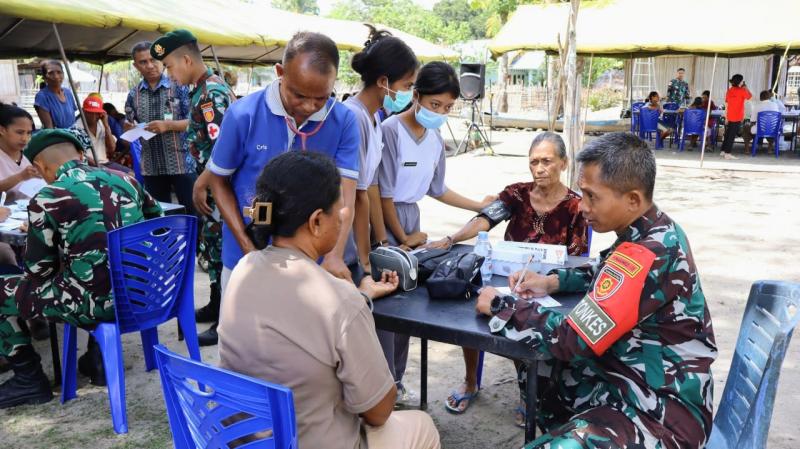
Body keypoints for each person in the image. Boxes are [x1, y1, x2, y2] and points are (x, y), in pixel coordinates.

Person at [474, 132, 716, 449]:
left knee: (550, 356)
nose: (583, 207)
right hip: (636, 379)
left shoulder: (645, 253)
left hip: (660, 414)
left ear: (632, 199)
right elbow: (604, 272)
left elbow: (571, 340)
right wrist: (551, 282)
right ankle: (565, 431)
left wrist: (502, 306)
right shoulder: (652, 229)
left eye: (592, 197)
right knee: (544, 369)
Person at [218, 151, 440, 449]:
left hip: (244, 439)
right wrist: (353, 303)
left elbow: (296, 319)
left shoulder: (243, 270)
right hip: (313, 442)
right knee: (422, 425)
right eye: (340, 209)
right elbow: (378, 411)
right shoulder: (339, 301)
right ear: (316, 222)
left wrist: (362, 295)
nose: (344, 216)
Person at [427, 132, 588, 420]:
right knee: (473, 312)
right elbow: (484, 219)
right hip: (506, 280)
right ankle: (470, 380)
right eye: (533, 162)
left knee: (532, 329)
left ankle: (531, 392)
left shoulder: (576, 207)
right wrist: (451, 239)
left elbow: (577, 258)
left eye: (547, 161)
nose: (539, 168)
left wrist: (546, 280)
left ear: (564, 163)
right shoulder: (516, 194)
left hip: (548, 288)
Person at [0, 129, 163, 408]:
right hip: (145, 293)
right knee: (96, 270)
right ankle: (95, 358)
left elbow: (39, 271)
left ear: (40, 167)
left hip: (96, 303)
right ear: (80, 154)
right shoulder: (127, 180)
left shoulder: (48, 197)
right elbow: (157, 223)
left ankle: (29, 379)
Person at [207, 32, 360, 307]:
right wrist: (247, 247)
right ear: (280, 72)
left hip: (314, 262)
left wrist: (335, 255)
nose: (309, 107)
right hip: (246, 255)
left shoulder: (344, 121)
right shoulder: (244, 115)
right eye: (298, 95)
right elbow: (218, 182)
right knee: (243, 342)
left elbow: (346, 197)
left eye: (321, 98)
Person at [376, 61, 494, 403]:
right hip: (386, 221)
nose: (440, 112)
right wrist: (401, 238)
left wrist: (477, 205)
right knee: (385, 309)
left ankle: (396, 381)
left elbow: (437, 188)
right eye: (434, 105)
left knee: (406, 305)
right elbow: (383, 192)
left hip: (410, 218)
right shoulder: (391, 131)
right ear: (416, 96)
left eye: (447, 108)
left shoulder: (434, 139)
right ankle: (383, 386)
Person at [151, 29, 236, 345]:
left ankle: (226, 321)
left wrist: (201, 185)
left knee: (221, 251)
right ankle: (217, 304)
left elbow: (222, 151)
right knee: (212, 250)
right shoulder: (200, 90)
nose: (169, 75)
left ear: (186, 59)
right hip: (211, 186)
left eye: (170, 67)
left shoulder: (212, 93)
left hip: (218, 189)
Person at [344, 25, 419, 272]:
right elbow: (358, 195)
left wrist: (383, 243)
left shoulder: (374, 118)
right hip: (345, 245)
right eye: (407, 86)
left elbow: (373, 187)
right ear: (383, 81)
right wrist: (366, 262)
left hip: (360, 241)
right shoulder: (355, 117)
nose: (409, 93)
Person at [124, 41, 196, 216]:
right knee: (159, 215)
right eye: (143, 62)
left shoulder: (180, 86)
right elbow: (128, 123)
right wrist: (129, 127)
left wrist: (168, 125)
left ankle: (196, 243)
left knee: (193, 212)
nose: (149, 66)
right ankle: (166, 243)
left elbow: (195, 121)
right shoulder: (134, 94)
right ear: (135, 66)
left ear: (161, 60)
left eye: (152, 60)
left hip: (182, 163)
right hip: (151, 166)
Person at [0, 103, 39, 204]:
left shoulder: (29, 154)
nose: (25, 139)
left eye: (29, 133)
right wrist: (21, 176)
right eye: (20, 132)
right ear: (2, 130)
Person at [71, 95, 116, 165]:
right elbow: (75, 154)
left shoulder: (102, 124)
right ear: (83, 112)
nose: (94, 116)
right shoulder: (76, 128)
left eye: (97, 113)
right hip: (88, 167)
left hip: (105, 163)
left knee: (130, 174)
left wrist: (106, 126)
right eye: (91, 113)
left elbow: (112, 148)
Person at [33, 60, 77, 129]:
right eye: (50, 73)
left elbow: (73, 121)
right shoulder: (42, 97)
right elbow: (49, 128)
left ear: (63, 74)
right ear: (45, 78)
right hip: (56, 136)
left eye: (59, 72)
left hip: (73, 134)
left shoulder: (68, 92)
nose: (56, 76)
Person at [721, 74, 752, 160]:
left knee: (728, 134)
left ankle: (723, 150)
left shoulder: (730, 90)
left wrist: (726, 116)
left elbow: (726, 103)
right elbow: (750, 96)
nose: (743, 82)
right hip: (737, 115)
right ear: (740, 82)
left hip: (729, 114)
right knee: (731, 135)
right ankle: (727, 153)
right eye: (742, 80)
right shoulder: (742, 90)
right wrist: (746, 87)